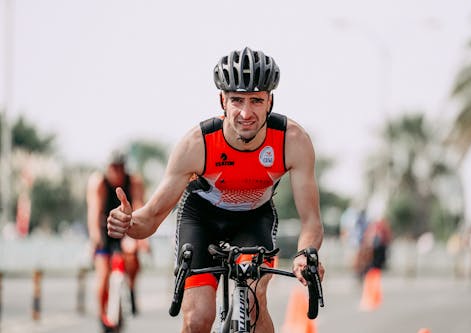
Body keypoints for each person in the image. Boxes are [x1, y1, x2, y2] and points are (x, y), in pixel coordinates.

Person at [106, 46, 325, 333]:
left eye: (256, 100)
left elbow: (311, 220)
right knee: (198, 318)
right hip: (201, 218)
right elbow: (150, 218)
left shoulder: (292, 141)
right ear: (222, 100)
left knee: (254, 298)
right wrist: (128, 222)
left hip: (254, 218)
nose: (246, 112)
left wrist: (305, 254)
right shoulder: (197, 145)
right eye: (237, 100)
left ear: (270, 101)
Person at [86, 150, 150, 331]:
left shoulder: (134, 181)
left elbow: (139, 206)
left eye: (121, 168)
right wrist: (95, 237)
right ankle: (102, 314)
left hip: (126, 225)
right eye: (114, 168)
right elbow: (94, 211)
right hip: (103, 228)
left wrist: (141, 237)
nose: (117, 172)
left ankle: (131, 287)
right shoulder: (98, 182)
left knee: (133, 255)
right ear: (107, 168)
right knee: (103, 274)